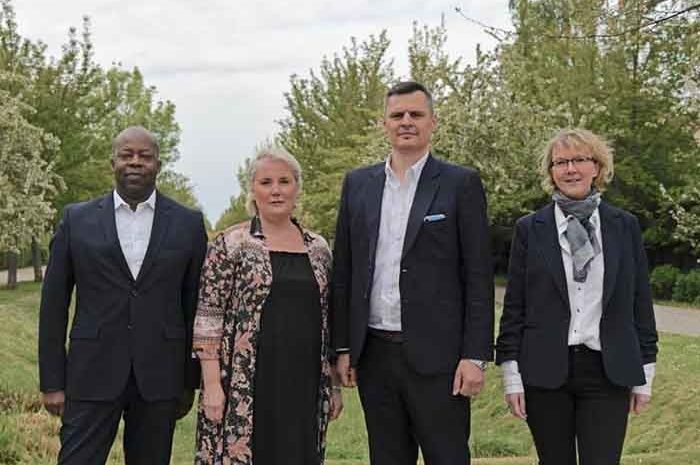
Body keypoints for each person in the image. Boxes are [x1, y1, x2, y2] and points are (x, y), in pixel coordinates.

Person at [331, 81, 494, 465]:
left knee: (448, 457)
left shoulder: (460, 183)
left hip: (440, 357)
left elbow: (478, 275)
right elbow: (345, 271)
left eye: (416, 114)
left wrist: (475, 355)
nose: (406, 121)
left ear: (432, 122)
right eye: (397, 115)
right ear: (383, 123)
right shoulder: (358, 184)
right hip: (374, 354)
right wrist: (342, 347)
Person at [38, 126, 208, 464]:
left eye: (144, 156)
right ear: (112, 162)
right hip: (90, 374)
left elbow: (195, 307)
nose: (135, 162)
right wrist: (52, 381)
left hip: (160, 378)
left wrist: (190, 381)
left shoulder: (188, 223)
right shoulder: (77, 220)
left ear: (158, 164)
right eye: (126, 155)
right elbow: (53, 304)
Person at [496, 128, 659, 465]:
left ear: (597, 167)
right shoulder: (531, 229)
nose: (570, 169)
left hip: (607, 369)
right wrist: (511, 377)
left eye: (579, 160)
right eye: (561, 162)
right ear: (551, 172)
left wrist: (646, 376)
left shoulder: (624, 226)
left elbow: (640, 303)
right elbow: (514, 308)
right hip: (545, 371)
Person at [192, 146, 342, 465]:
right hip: (243, 382)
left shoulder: (319, 249)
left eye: (284, 181)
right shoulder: (230, 244)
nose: (276, 190)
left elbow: (329, 318)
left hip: (304, 381)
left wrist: (334, 385)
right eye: (266, 182)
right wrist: (212, 385)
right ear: (253, 190)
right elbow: (208, 316)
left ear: (297, 187)